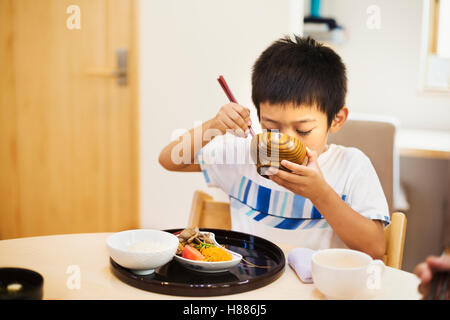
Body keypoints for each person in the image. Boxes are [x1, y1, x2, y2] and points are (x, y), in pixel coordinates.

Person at [159, 36, 389, 259]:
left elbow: (375, 247)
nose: (285, 142)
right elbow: (170, 160)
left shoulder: (350, 166)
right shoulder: (247, 156)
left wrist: (320, 194)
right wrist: (214, 125)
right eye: (271, 128)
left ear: (336, 119)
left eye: (303, 130)